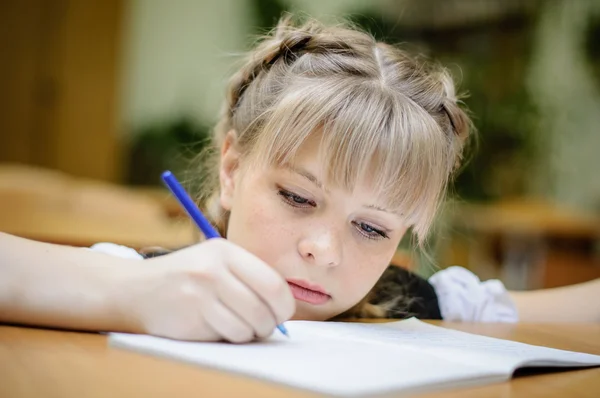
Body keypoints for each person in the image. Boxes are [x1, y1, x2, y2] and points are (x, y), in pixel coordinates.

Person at [1, 15, 598, 343]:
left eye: (370, 227)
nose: (324, 249)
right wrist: (124, 295)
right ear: (233, 169)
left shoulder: (421, 307)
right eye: (296, 196)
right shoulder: (150, 282)